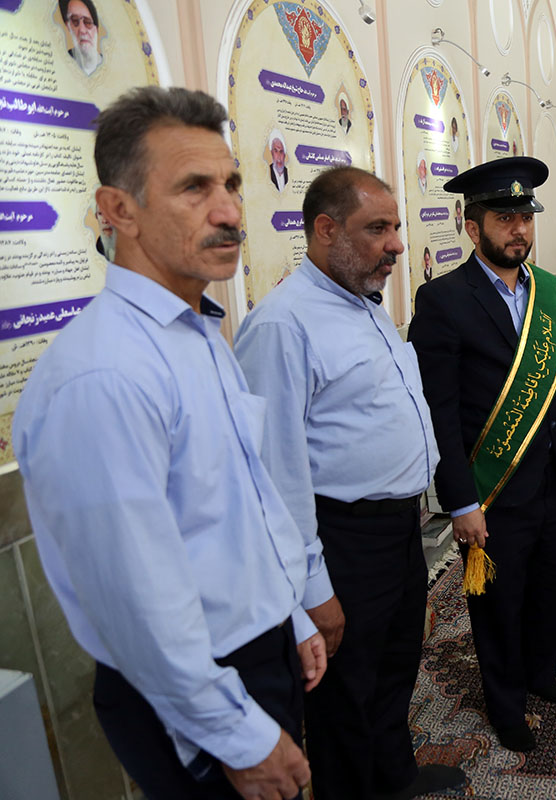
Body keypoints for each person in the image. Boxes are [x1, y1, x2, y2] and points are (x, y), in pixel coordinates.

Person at [14, 85, 326, 800]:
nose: (228, 212)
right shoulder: (104, 374)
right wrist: (241, 738)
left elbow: (236, 504)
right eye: (194, 188)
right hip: (193, 687)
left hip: (250, 653)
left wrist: (290, 613)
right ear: (118, 210)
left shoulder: (194, 331)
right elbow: (138, 602)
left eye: (232, 185)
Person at [234, 166, 465, 800]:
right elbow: (274, 476)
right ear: (325, 229)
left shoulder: (363, 303)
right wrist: (313, 588)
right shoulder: (284, 325)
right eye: (378, 229)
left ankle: (394, 779)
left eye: (395, 227)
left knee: (393, 671)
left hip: (397, 530)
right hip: (341, 540)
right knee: (343, 698)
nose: (396, 244)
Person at [408, 156, 556, 754]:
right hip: (490, 487)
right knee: (498, 605)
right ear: (473, 227)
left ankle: (540, 675)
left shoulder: (548, 291)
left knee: (551, 588)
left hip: (549, 477)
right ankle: (506, 702)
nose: (519, 229)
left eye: (525, 217)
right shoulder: (441, 300)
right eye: (504, 217)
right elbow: (439, 411)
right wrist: (460, 499)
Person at [60, 0, 102, 76]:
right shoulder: (60, 64)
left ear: (96, 29)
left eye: (88, 22)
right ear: (68, 26)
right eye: (75, 21)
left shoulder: (110, 64)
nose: (82, 30)